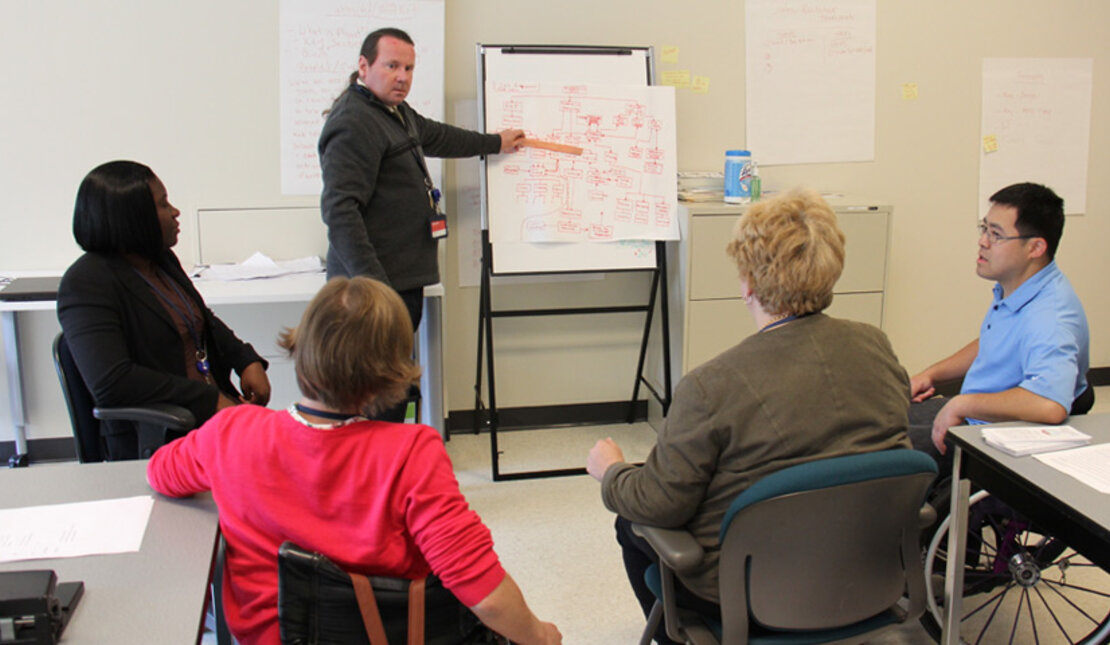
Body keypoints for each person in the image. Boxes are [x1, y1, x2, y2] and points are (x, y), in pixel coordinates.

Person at [147, 276, 561, 645]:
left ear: (302, 346)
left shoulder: (231, 432)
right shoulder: (412, 451)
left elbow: (160, 474)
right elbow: (480, 589)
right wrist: (540, 636)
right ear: (391, 369)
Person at [586, 188, 912, 643]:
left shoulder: (710, 385)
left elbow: (660, 502)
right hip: (867, 576)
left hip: (749, 595)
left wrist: (613, 472)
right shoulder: (876, 346)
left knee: (631, 522)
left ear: (747, 284)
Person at [57, 160, 270, 460]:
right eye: (162, 204)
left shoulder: (161, 261)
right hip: (162, 435)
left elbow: (199, 318)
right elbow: (112, 382)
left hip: (209, 417)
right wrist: (211, 400)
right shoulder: (87, 282)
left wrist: (246, 359)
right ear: (133, 218)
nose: (175, 212)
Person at [318, 26, 525, 331]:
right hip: (373, 293)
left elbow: (439, 136)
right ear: (364, 66)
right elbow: (340, 212)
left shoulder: (392, 110)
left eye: (409, 68)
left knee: (394, 374)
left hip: (397, 283)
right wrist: (376, 289)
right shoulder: (354, 121)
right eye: (392, 66)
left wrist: (495, 143)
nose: (402, 77)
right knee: (376, 376)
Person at [908, 182, 1090, 460]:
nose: (983, 241)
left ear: (1036, 247)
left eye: (996, 235)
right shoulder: (1022, 287)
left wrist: (963, 404)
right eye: (984, 229)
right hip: (973, 410)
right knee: (871, 421)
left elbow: (1050, 404)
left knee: (873, 452)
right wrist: (931, 374)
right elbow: (993, 343)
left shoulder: (1050, 317)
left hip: (990, 433)